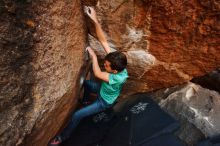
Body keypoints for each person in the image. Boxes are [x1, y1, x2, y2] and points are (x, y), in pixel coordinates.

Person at [48, 6, 128, 146]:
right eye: (106, 63)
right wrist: (95, 20)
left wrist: (94, 56)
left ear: (114, 71)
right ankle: (85, 101)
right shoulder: (118, 63)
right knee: (86, 84)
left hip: (104, 101)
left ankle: (62, 137)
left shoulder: (118, 77)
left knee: (77, 115)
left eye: (107, 66)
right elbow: (103, 41)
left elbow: (97, 73)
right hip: (103, 89)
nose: (105, 65)